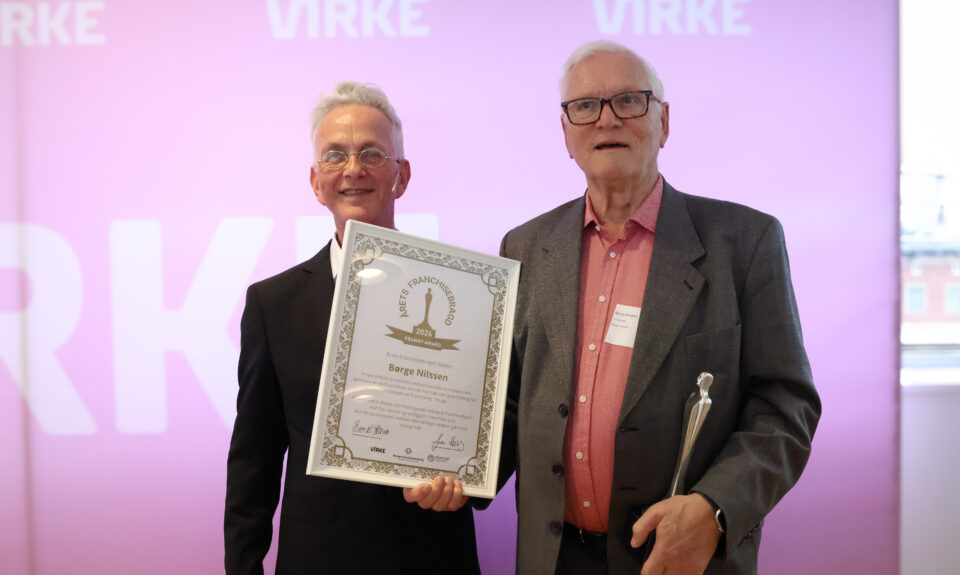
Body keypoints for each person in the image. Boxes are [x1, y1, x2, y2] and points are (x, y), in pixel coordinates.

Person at [498, 41, 822, 575]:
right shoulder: (525, 247)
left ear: (664, 122)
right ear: (566, 133)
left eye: (629, 100)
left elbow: (785, 406)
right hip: (554, 559)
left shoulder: (745, 242)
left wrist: (715, 508)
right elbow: (509, 401)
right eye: (585, 106)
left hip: (679, 559)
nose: (606, 119)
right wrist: (451, 467)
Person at [224, 82, 479, 575]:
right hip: (319, 559)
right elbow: (254, 459)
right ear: (316, 181)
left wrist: (469, 486)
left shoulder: (466, 292)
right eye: (335, 155)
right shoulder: (273, 305)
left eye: (372, 153)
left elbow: (492, 419)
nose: (353, 169)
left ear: (402, 176)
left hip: (432, 555)